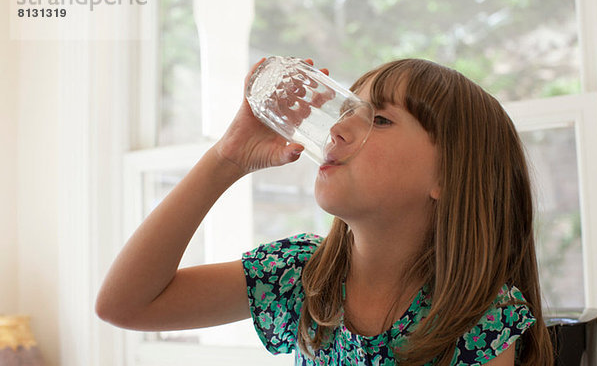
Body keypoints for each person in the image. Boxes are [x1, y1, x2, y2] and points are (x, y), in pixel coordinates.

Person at [96, 58, 554, 365]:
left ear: (449, 177)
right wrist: (226, 160)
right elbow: (126, 305)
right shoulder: (303, 275)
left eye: (378, 119)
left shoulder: (481, 316)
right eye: (346, 112)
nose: (336, 131)